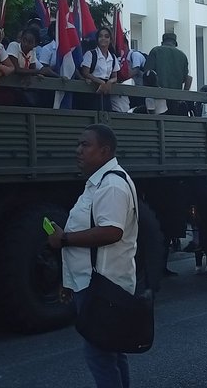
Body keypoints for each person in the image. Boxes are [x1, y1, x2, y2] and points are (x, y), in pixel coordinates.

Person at [48, 124, 140, 387]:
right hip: (92, 284)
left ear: (105, 150)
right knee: (111, 353)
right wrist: (69, 281)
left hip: (104, 286)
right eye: (79, 144)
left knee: (100, 356)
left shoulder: (111, 185)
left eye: (85, 145)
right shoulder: (97, 183)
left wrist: (64, 238)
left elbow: (111, 232)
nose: (78, 150)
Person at [144, 32, 192, 115]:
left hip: (158, 97)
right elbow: (186, 78)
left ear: (162, 42)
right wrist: (183, 96)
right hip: (176, 98)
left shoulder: (155, 51)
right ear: (175, 43)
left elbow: (148, 74)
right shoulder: (182, 56)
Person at [80, 27, 121, 111]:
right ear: (97, 39)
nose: (103, 38)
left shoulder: (113, 57)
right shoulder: (91, 54)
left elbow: (115, 77)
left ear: (110, 40)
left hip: (106, 90)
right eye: (101, 36)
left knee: (106, 114)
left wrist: (109, 82)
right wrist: (100, 82)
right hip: (92, 89)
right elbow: (85, 73)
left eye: (106, 36)